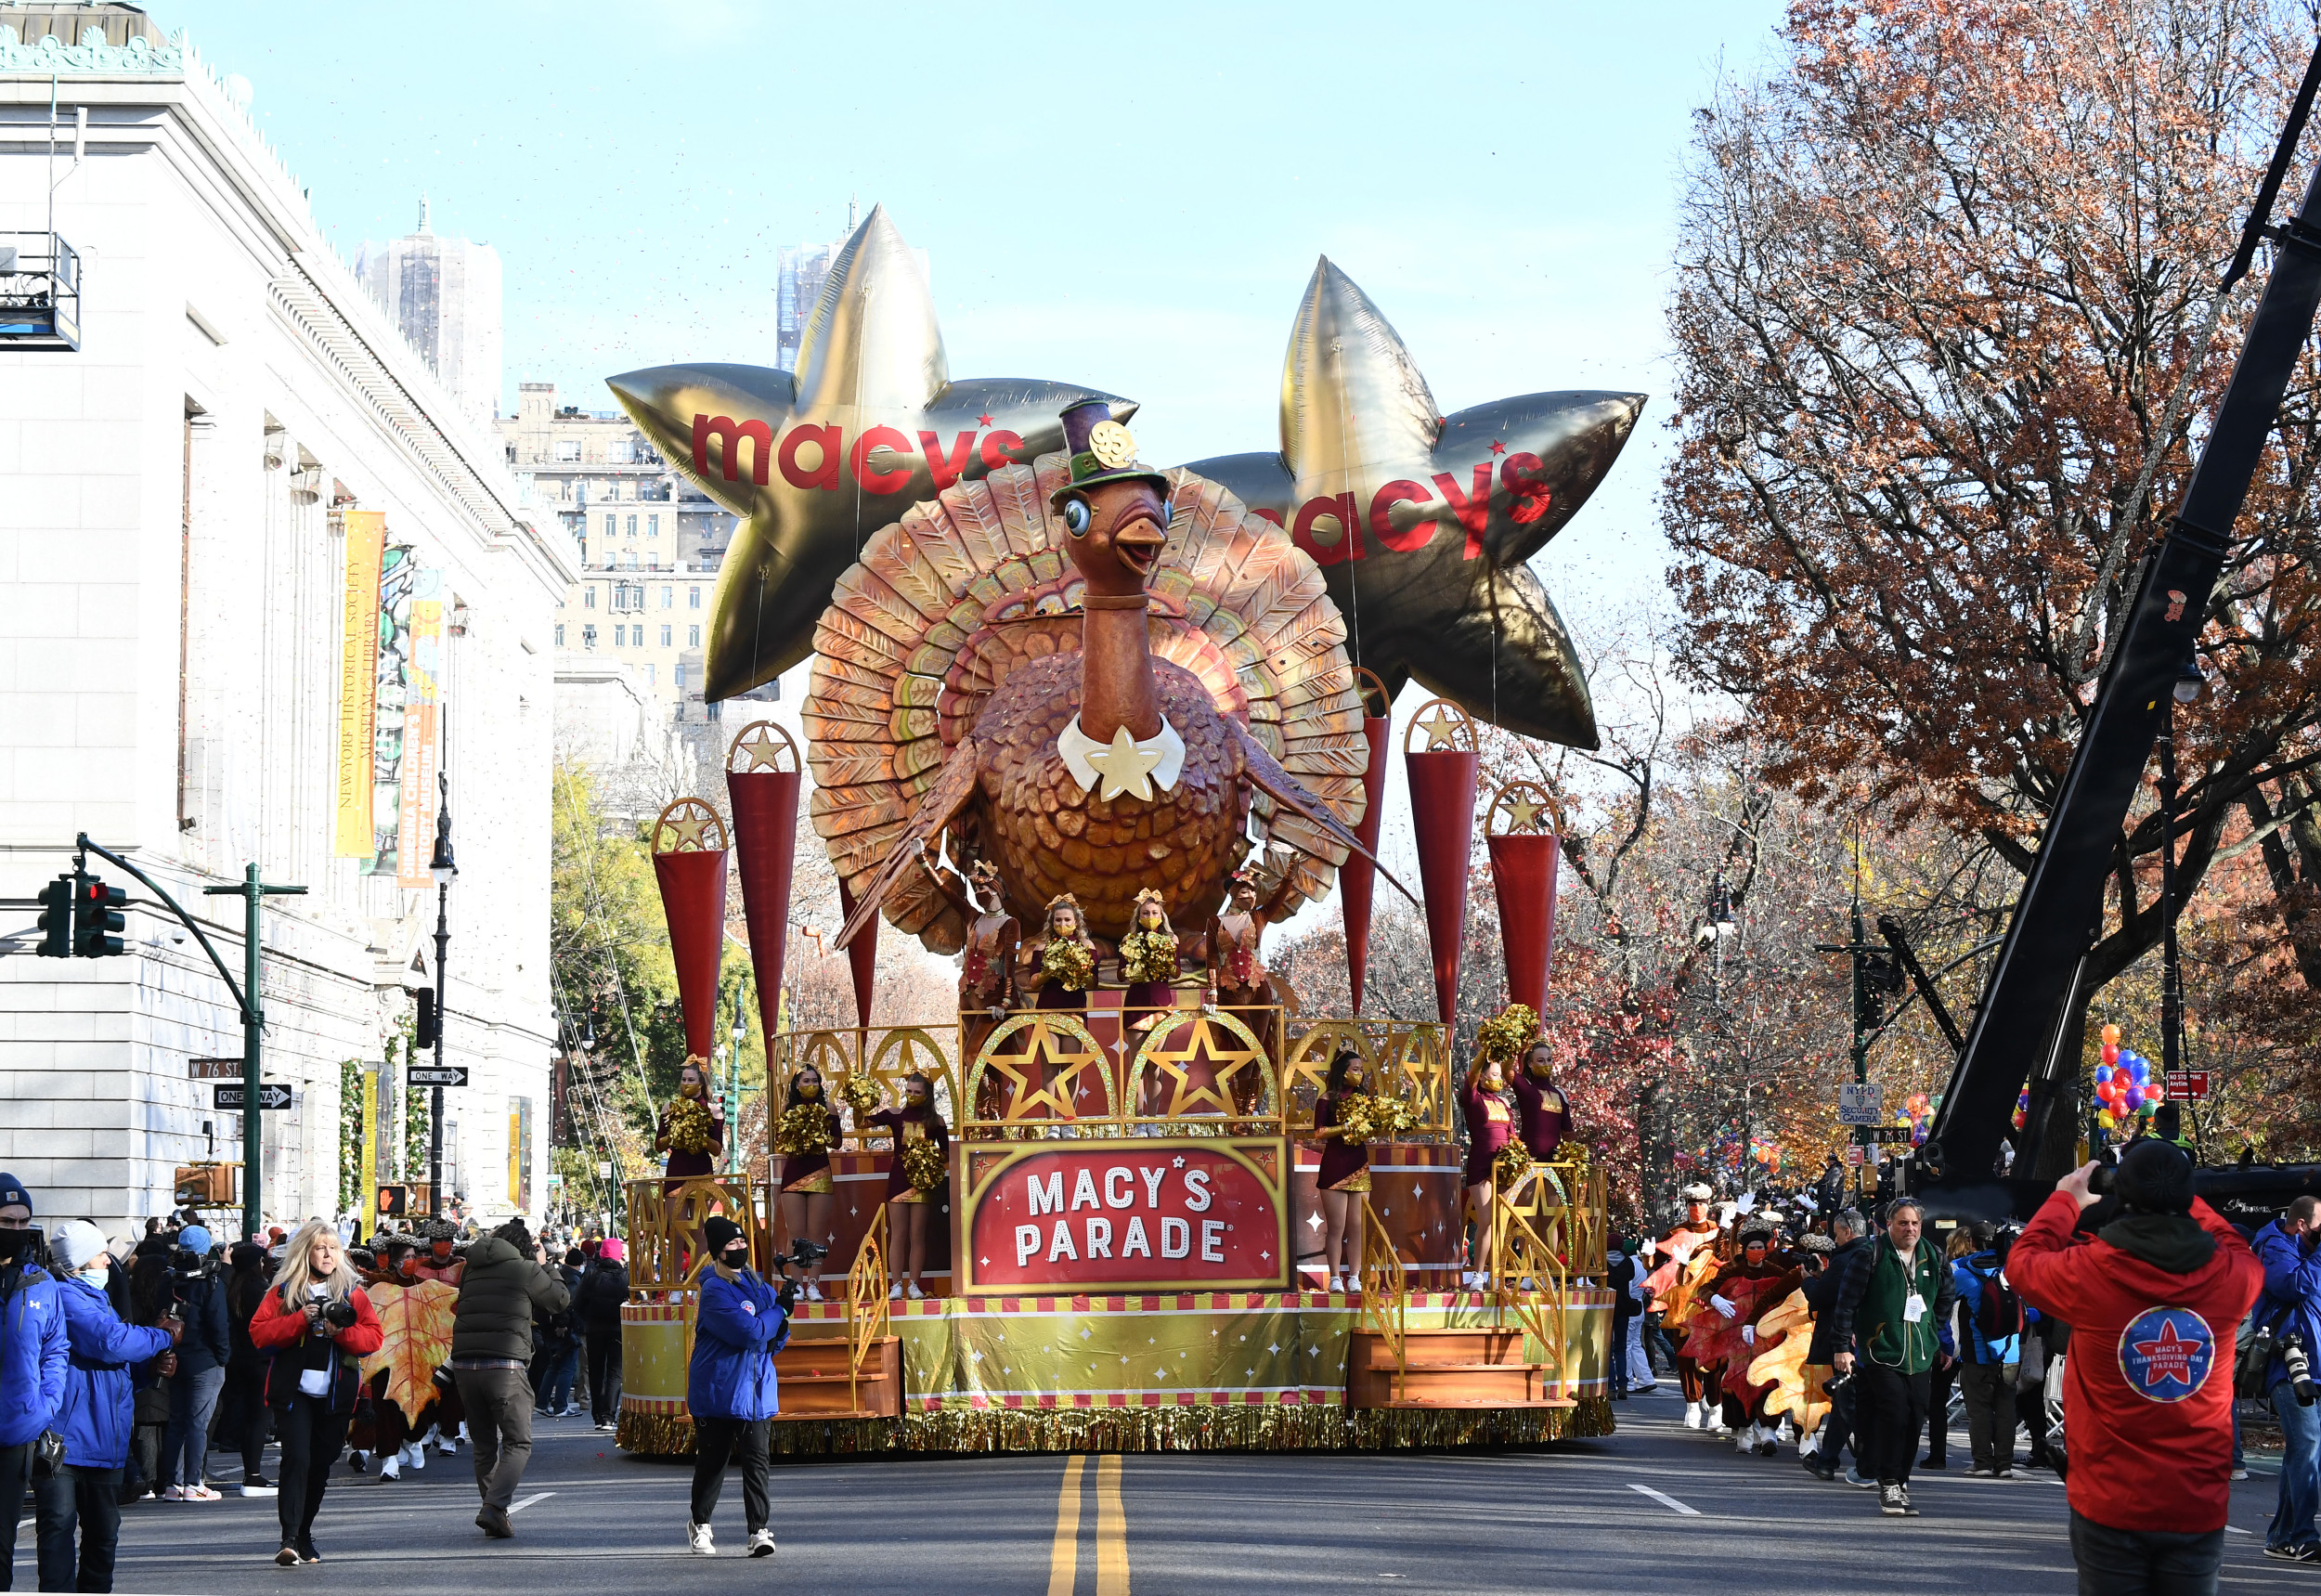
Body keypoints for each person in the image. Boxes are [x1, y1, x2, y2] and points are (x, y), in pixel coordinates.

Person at [2011, 1141, 2262, 1593]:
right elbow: (2233, 1242)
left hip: (2109, 1499)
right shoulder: (2233, 1277)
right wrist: (2182, 1194)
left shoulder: (2088, 1271)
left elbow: (2023, 1261)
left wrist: (2065, 1199)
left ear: (2121, 1196)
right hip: (2196, 1501)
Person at [42, 1220, 178, 1592]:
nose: (108, 1262)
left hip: (104, 1439)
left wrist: (149, 1370)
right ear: (82, 1262)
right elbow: (111, 1343)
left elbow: (115, 1369)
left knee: (102, 1536)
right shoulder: (65, 1298)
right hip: (65, 1441)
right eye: (101, 1254)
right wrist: (161, 1335)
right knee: (59, 1532)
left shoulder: (95, 1299)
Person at [248, 1219, 382, 1566]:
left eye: (333, 1248)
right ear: (305, 1252)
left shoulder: (352, 1292)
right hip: (295, 1393)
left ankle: (304, 1533)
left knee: (320, 1465)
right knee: (298, 1459)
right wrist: (299, 1320)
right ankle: (289, 1537)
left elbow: (373, 1340)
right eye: (320, 1248)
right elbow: (259, 1335)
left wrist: (340, 1332)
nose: (327, 1254)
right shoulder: (282, 1292)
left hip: (337, 1394)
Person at [1830, 1198, 1954, 1517]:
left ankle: (1901, 1479)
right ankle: (1888, 1482)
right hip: (1880, 1351)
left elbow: (1945, 1296)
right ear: (1888, 1225)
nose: (1909, 1229)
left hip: (1921, 1355)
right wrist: (1842, 1346)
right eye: (1902, 1223)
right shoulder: (1870, 1255)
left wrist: (1934, 1331)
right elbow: (1845, 1304)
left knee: (1914, 1417)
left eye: (1914, 1223)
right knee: (1894, 1414)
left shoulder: (1934, 1256)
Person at [447, 1218, 569, 1539]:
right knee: (518, 1441)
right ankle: (493, 1507)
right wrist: (549, 1265)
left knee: (484, 1444)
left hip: (465, 1365)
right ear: (525, 1247)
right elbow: (559, 1300)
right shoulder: (525, 1269)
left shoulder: (470, 1269)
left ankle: (494, 1511)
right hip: (505, 1365)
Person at [684, 1216, 789, 1558]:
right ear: (717, 1252)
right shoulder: (714, 1289)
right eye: (731, 1245)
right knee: (713, 1463)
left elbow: (774, 1333)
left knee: (757, 1462)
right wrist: (776, 1315)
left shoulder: (758, 1285)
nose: (740, 1249)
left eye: (742, 1243)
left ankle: (758, 1531)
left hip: (757, 1390)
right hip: (719, 1388)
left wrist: (778, 1321)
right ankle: (700, 1524)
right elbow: (749, 1332)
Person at [0, 1178, 68, 1592]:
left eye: (24, 1221)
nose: (17, 1229)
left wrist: (45, 1403)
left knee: (2, 1541)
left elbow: (56, 1349)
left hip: (18, 1428)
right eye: (7, 1221)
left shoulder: (41, 1282)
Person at [2253, 1194, 2321, 1564]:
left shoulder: (2310, 1255)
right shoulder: (2275, 1244)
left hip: (2317, 1366)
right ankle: (2303, 1535)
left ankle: (2281, 1537)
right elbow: (2290, 1285)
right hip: (2288, 1363)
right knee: (2308, 1444)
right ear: (2301, 1225)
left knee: (2305, 1452)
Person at [157, 1226, 227, 1501]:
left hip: (174, 1358)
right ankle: (193, 1482)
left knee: (177, 1421)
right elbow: (219, 1325)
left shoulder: (170, 1281)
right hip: (205, 1360)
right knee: (198, 1423)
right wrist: (222, 1357)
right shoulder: (211, 1282)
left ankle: (172, 1484)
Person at [867, 1073, 950, 1300]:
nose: (912, 1096)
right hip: (898, 1181)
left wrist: (928, 1157)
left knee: (917, 1235)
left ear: (926, 1095)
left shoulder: (936, 1121)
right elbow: (862, 1123)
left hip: (921, 1183)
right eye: (909, 1091)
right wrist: (860, 1103)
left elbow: (946, 1154)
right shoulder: (895, 1115)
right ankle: (896, 1285)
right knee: (898, 1234)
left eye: (917, 1092)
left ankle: (913, 1284)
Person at [1951, 1223, 2024, 1479]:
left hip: (1977, 1353)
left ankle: (1982, 1461)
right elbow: (2030, 1311)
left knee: (1979, 1408)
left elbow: (1942, 1299)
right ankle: (2004, 1464)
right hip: (2010, 1354)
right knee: (2006, 1408)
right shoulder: (2012, 1272)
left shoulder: (1965, 1274)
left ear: (1971, 1243)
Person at [1801, 1207, 1869, 1483]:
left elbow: (1822, 1298)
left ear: (1848, 1232)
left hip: (1845, 1340)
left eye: (1838, 1234)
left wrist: (1808, 1282)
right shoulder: (1870, 1254)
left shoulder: (1845, 1260)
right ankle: (1830, 1460)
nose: (1836, 1240)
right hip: (1865, 1340)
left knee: (1847, 1402)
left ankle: (1838, 1460)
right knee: (1848, 1400)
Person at [1307, 1046, 1371, 1295]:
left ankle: (1354, 1276)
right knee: (1337, 1227)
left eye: (1361, 1070)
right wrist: (1345, 1126)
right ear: (1343, 1072)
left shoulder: (1364, 1099)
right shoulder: (1327, 1099)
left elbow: (1370, 1126)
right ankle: (1335, 1277)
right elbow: (1319, 1132)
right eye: (1355, 1069)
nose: (1359, 1074)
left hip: (1359, 1164)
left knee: (1358, 1226)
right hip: (1335, 1164)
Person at [772, 1070, 839, 1301]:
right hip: (793, 1175)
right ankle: (796, 1284)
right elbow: (780, 1142)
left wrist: (819, 1134)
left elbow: (838, 1142)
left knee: (817, 1234)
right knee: (796, 1234)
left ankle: (813, 1285)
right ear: (797, 1085)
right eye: (806, 1081)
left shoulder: (828, 1108)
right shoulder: (787, 1109)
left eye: (815, 1080)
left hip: (820, 1172)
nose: (811, 1084)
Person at [214, 1241, 276, 1498]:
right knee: (259, 1419)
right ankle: (252, 1475)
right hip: (259, 1361)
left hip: (236, 1360)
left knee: (245, 1415)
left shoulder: (231, 1287)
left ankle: (251, 1472)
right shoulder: (259, 1289)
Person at [1918, 1222, 1977, 1471]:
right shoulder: (1984, 1271)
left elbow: (1940, 1309)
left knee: (1937, 1401)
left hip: (1947, 1343)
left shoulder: (1951, 1271)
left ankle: (1937, 1454)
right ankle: (1991, 1455)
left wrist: (1945, 1343)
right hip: (1973, 1344)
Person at [1457, 1055, 1516, 1290]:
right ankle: (1479, 1274)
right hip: (1481, 1165)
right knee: (1487, 1220)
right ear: (1481, 1076)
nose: (1499, 1080)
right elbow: (1470, 1075)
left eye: (1500, 1076)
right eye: (1494, 1075)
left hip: (1505, 1167)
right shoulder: (1473, 1099)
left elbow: (1513, 1135)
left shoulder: (1504, 1104)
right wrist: (1490, 1048)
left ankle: (1500, 1273)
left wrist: (1516, 1156)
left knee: (1505, 1221)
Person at [573, 1238, 629, 1434]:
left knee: (596, 1372)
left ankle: (597, 1415)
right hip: (618, 1330)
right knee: (615, 1373)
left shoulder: (591, 1275)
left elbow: (577, 1303)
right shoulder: (625, 1276)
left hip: (594, 1329)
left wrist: (588, 1319)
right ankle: (609, 1416)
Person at [655, 1059, 727, 1191]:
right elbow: (658, 1146)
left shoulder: (714, 1111)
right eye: (684, 1079)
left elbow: (717, 1150)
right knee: (675, 1212)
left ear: (701, 1083)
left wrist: (699, 1136)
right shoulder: (669, 1108)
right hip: (676, 1171)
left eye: (691, 1080)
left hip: (701, 1171)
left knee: (700, 1213)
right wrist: (674, 1134)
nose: (686, 1083)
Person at [1118, 888, 1181, 1036]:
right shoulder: (1129, 940)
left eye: (1154, 913)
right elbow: (1120, 977)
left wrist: (1163, 960)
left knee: (1158, 1059)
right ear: (1139, 917)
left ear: (1161, 916)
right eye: (1145, 913)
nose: (1150, 916)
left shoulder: (1171, 939)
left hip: (1161, 1003)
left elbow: (1177, 973)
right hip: (1136, 1004)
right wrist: (1135, 966)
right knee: (1137, 1059)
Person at [1508, 1041, 1572, 1162]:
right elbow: (1506, 1070)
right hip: (1528, 1161)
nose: (1546, 1064)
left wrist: (1575, 1156)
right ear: (1530, 1063)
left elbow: (1568, 1133)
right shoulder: (1526, 1086)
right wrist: (1514, 1041)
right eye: (1541, 1061)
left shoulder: (1560, 1093)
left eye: (1549, 1060)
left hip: (1555, 1162)